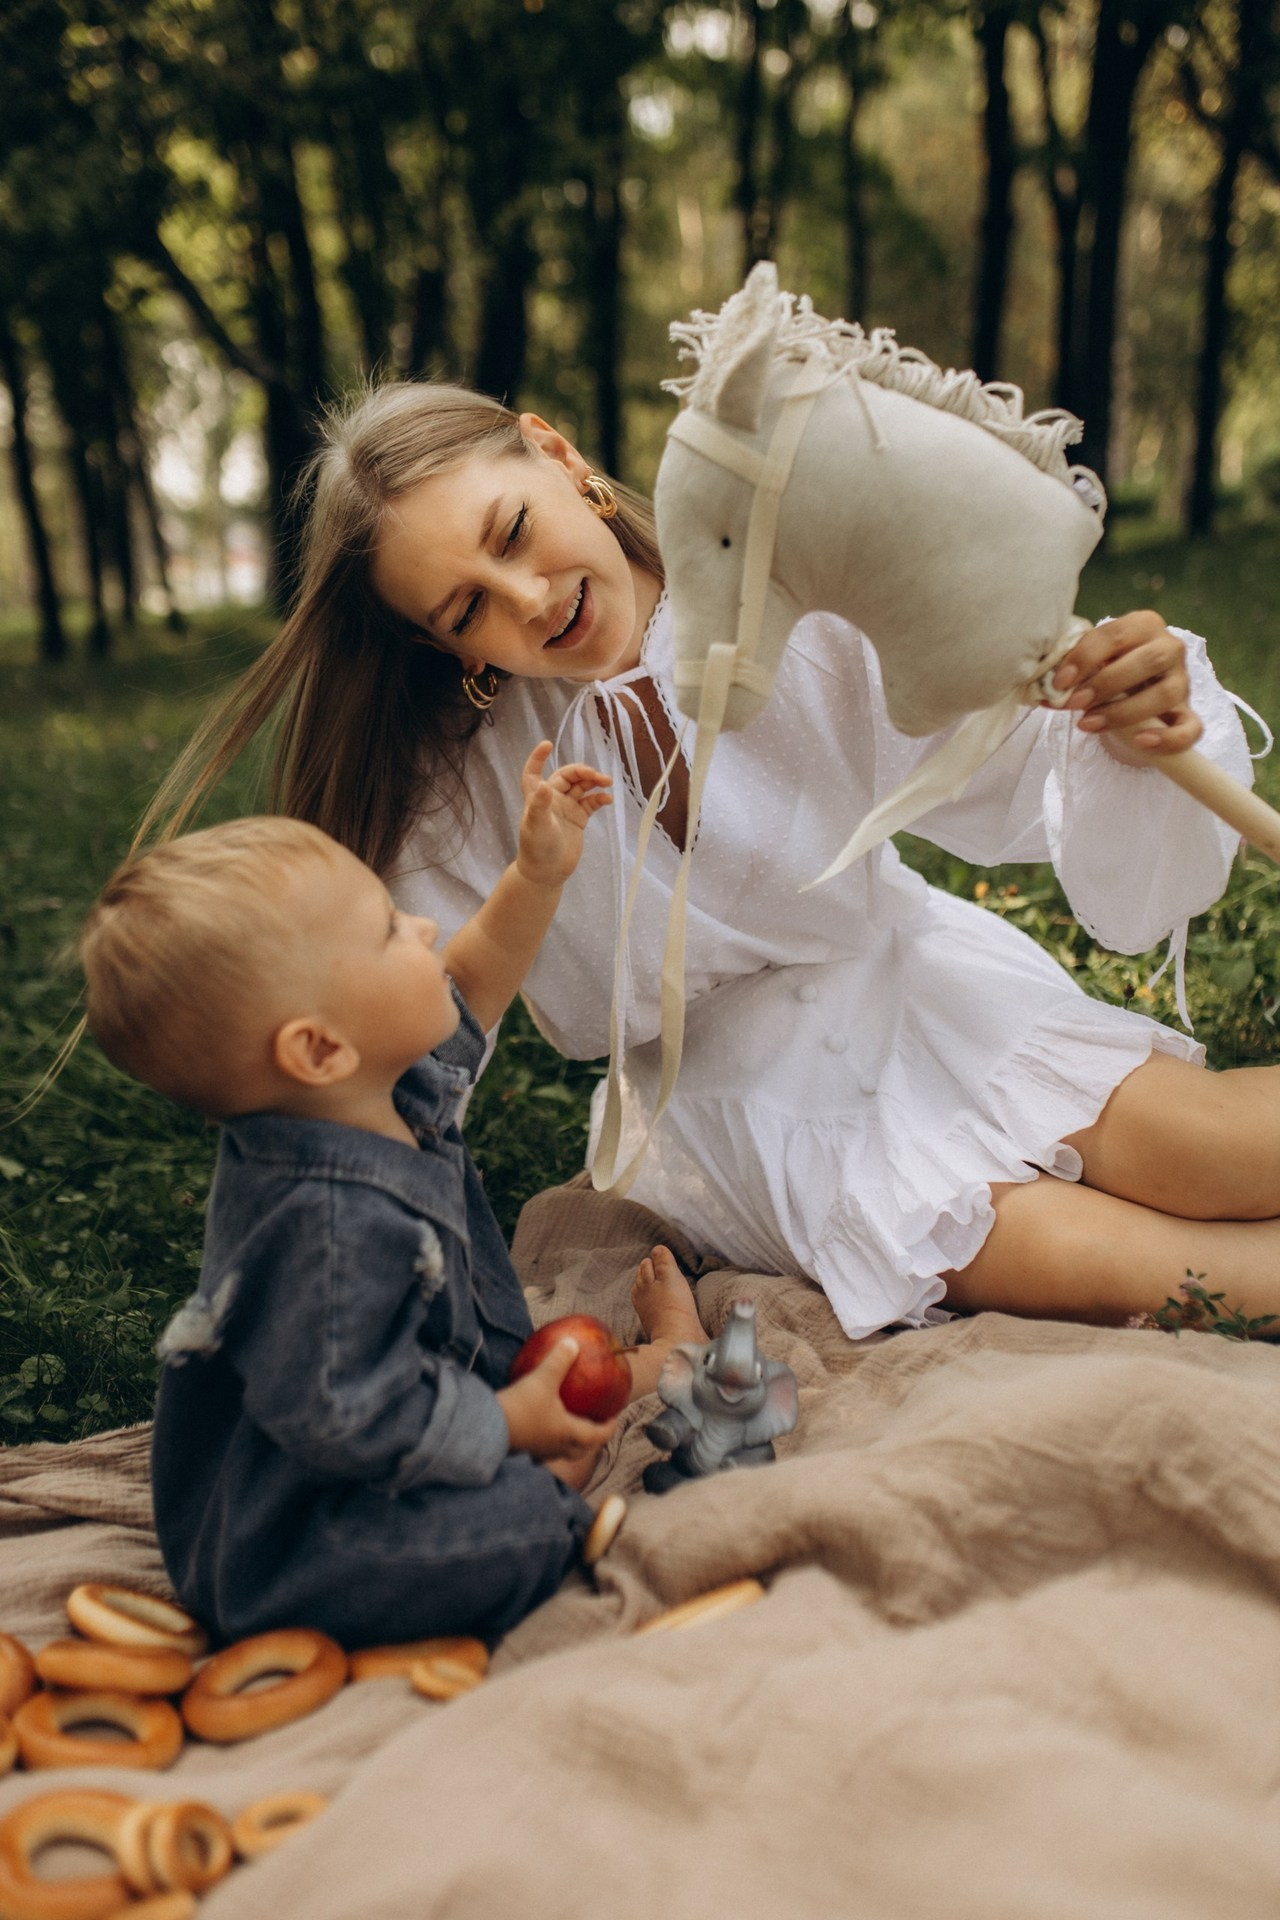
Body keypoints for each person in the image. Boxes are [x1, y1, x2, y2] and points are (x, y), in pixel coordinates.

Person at [141, 379, 1280, 1346]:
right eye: (466, 610)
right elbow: (409, 1015)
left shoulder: (796, 607)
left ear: (554, 452)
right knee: (1147, 1269)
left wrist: (1130, 720)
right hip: (739, 1110)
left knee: (1220, 1145)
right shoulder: (458, 787)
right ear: (443, 649)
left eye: (511, 533)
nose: (529, 601)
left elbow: (1027, 769)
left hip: (922, 989)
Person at [79, 753, 706, 1647]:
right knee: (526, 1529)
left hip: (422, 1410)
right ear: (320, 1050)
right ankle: (547, 1490)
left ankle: (661, 1365)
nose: (421, 928)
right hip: (306, 1536)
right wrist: (501, 1424)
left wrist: (538, 873)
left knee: (552, 1381)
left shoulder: (372, 1088)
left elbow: (475, 977)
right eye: (385, 932)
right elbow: (343, 1413)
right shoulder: (325, 1227)